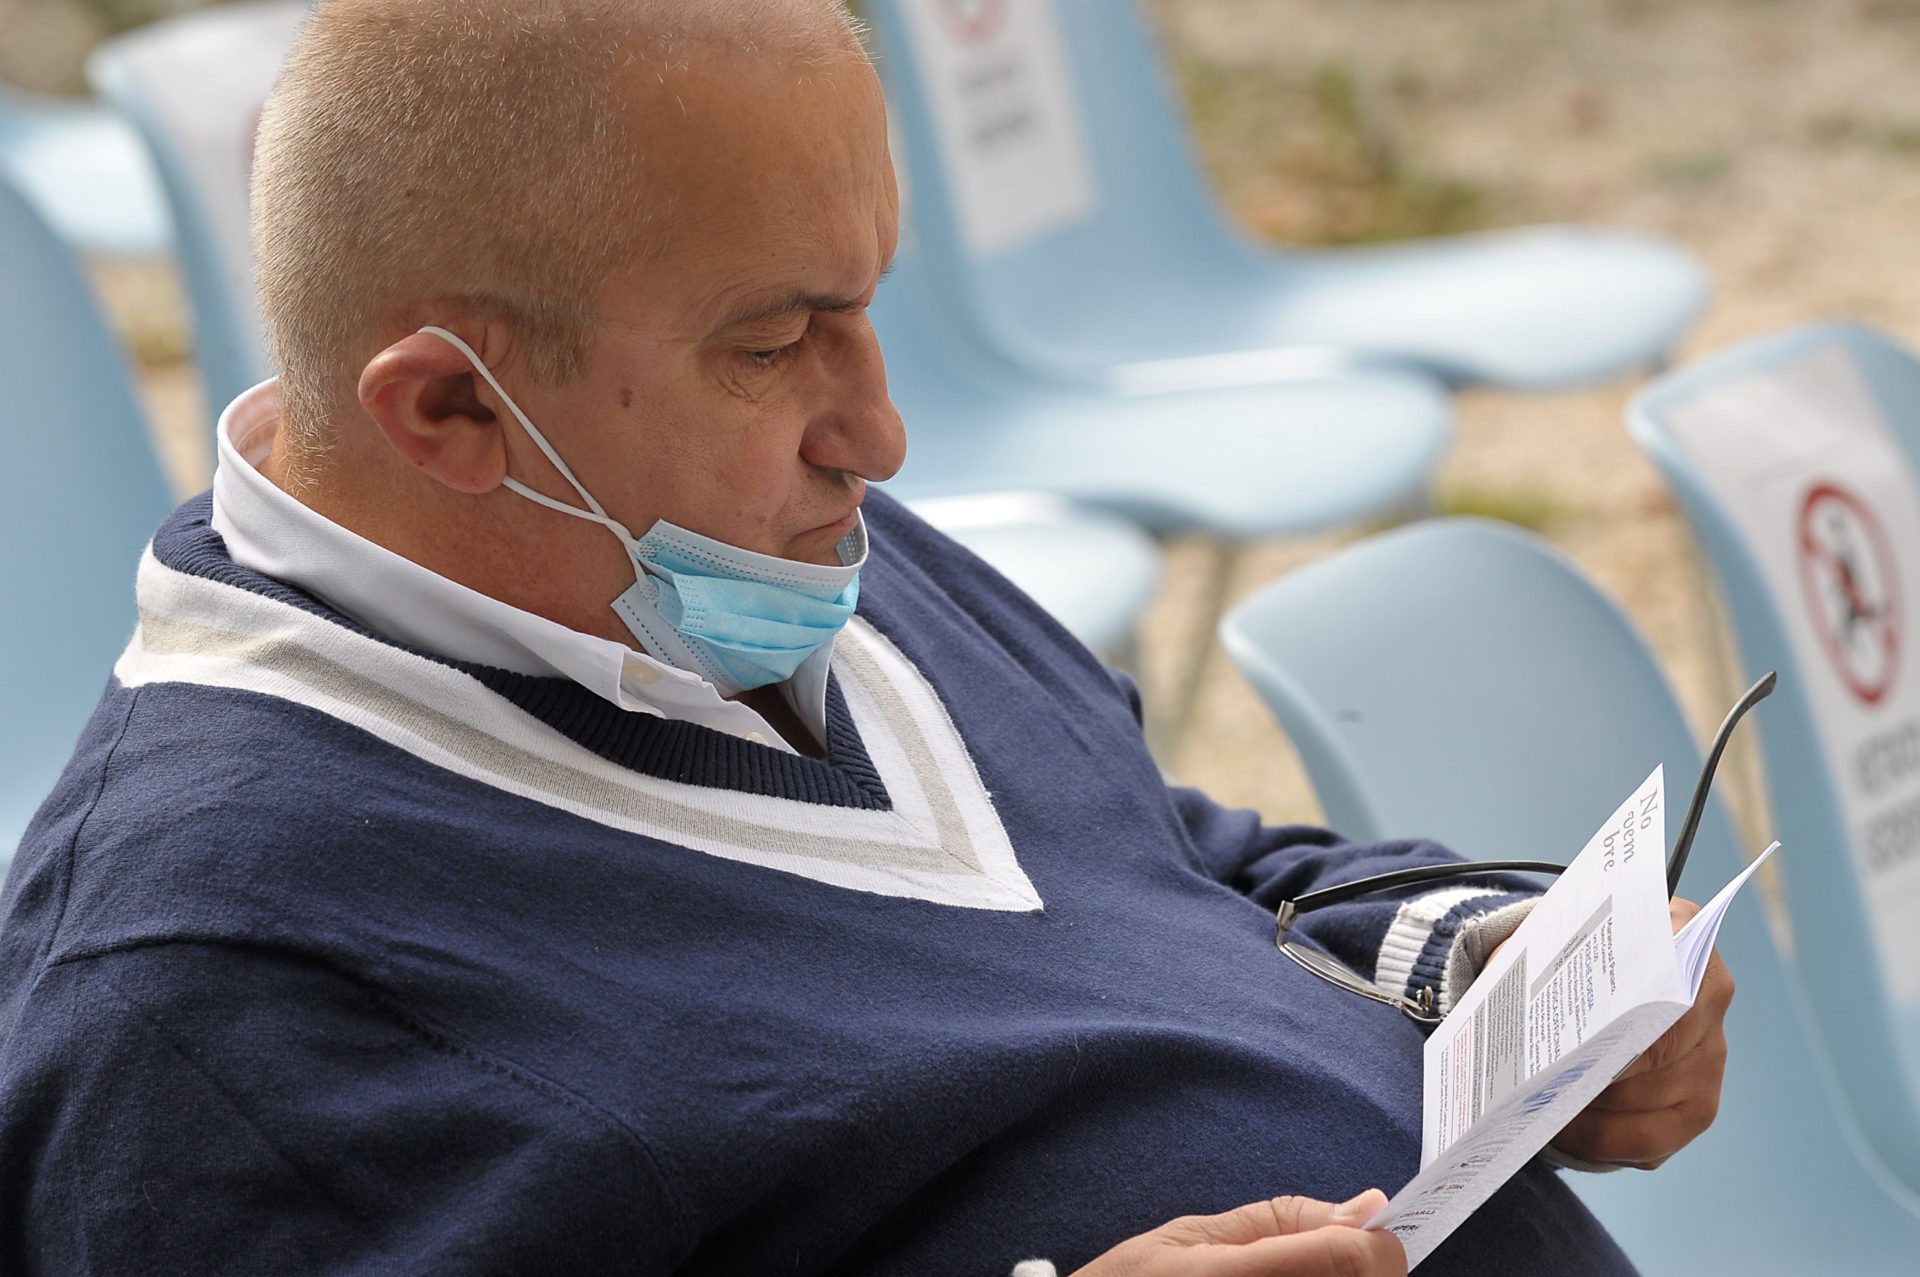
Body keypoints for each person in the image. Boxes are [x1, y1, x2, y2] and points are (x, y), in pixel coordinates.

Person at [0, 2, 1733, 1273]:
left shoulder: (732, 544)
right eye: (776, 341)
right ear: (452, 406)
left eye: (872, 302)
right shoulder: (202, 993)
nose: (881, 432)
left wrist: (1480, 971)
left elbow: (1163, 866)